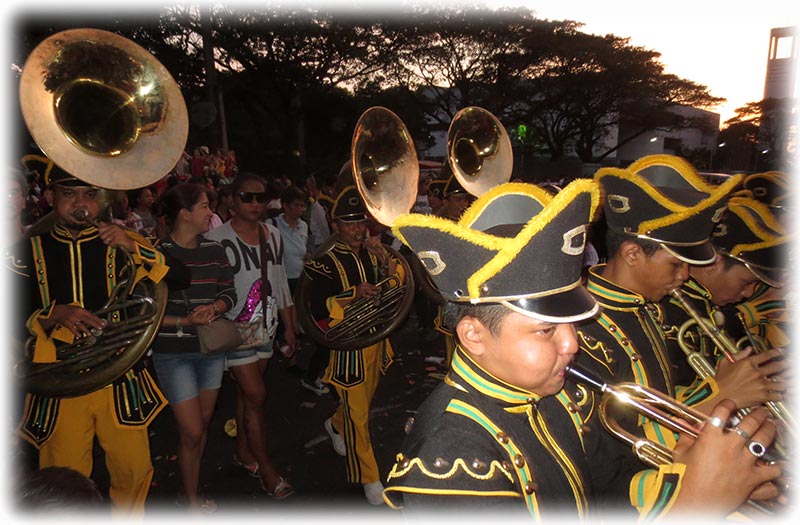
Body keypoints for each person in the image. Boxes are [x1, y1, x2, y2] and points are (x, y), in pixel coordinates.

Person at [382, 178, 782, 520]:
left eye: (573, 324)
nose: (572, 343)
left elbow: (605, 486)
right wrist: (694, 505)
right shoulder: (450, 461)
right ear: (473, 336)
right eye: (545, 331)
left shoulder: (556, 392)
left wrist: (686, 478)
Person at [576, 155, 784, 448]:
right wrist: (718, 395)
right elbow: (608, 450)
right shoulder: (584, 326)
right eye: (676, 265)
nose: (686, 276)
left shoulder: (646, 308)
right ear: (633, 254)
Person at [8, 164, 176, 517]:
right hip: (59, 379)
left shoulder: (120, 240)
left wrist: (134, 246)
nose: (80, 203)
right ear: (51, 197)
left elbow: (179, 276)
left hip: (119, 377)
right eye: (69, 194)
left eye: (89, 194)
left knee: (134, 470)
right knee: (63, 480)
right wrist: (50, 314)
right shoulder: (27, 249)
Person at [301, 185, 407, 505]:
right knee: (359, 415)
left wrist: (384, 258)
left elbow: (399, 284)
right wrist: (351, 295)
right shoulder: (325, 261)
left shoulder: (373, 251)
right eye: (349, 223)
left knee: (359, 406)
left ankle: (335, 424)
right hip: (348, 347)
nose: (357, 229)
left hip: (376, 339)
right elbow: (316, 308)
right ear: (335, 226)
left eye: (360, 222)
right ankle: (369, 476)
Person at [205, 173, 297, 499]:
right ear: (231, 199)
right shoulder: (215, 239)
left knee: (248, 397)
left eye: (261, 197)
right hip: (235, 331)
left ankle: (243, 453)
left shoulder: (272, 235)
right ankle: (267, 469)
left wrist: (289, 324)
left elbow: (281, 281)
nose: (255, 204)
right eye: (247, 197)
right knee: (257, 395)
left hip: (267, 328)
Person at [662, 195, 789, 427]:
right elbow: (669, 398)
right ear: (713, 264)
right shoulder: (672, 309)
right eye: (746, 282)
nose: (749, 293)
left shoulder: (706, 306)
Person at [151, 182, 236, 513]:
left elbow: (230, 293)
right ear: (184, 214)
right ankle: (188, 501)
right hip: (173, 354)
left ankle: (189, 490)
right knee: (193, 429)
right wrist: (186, 321)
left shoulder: (214, 251)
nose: (210, 212)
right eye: (203, 206)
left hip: (211, 350)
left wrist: (214, 308)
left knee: (197, 433)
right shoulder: (156, 255)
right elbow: (148, 313)